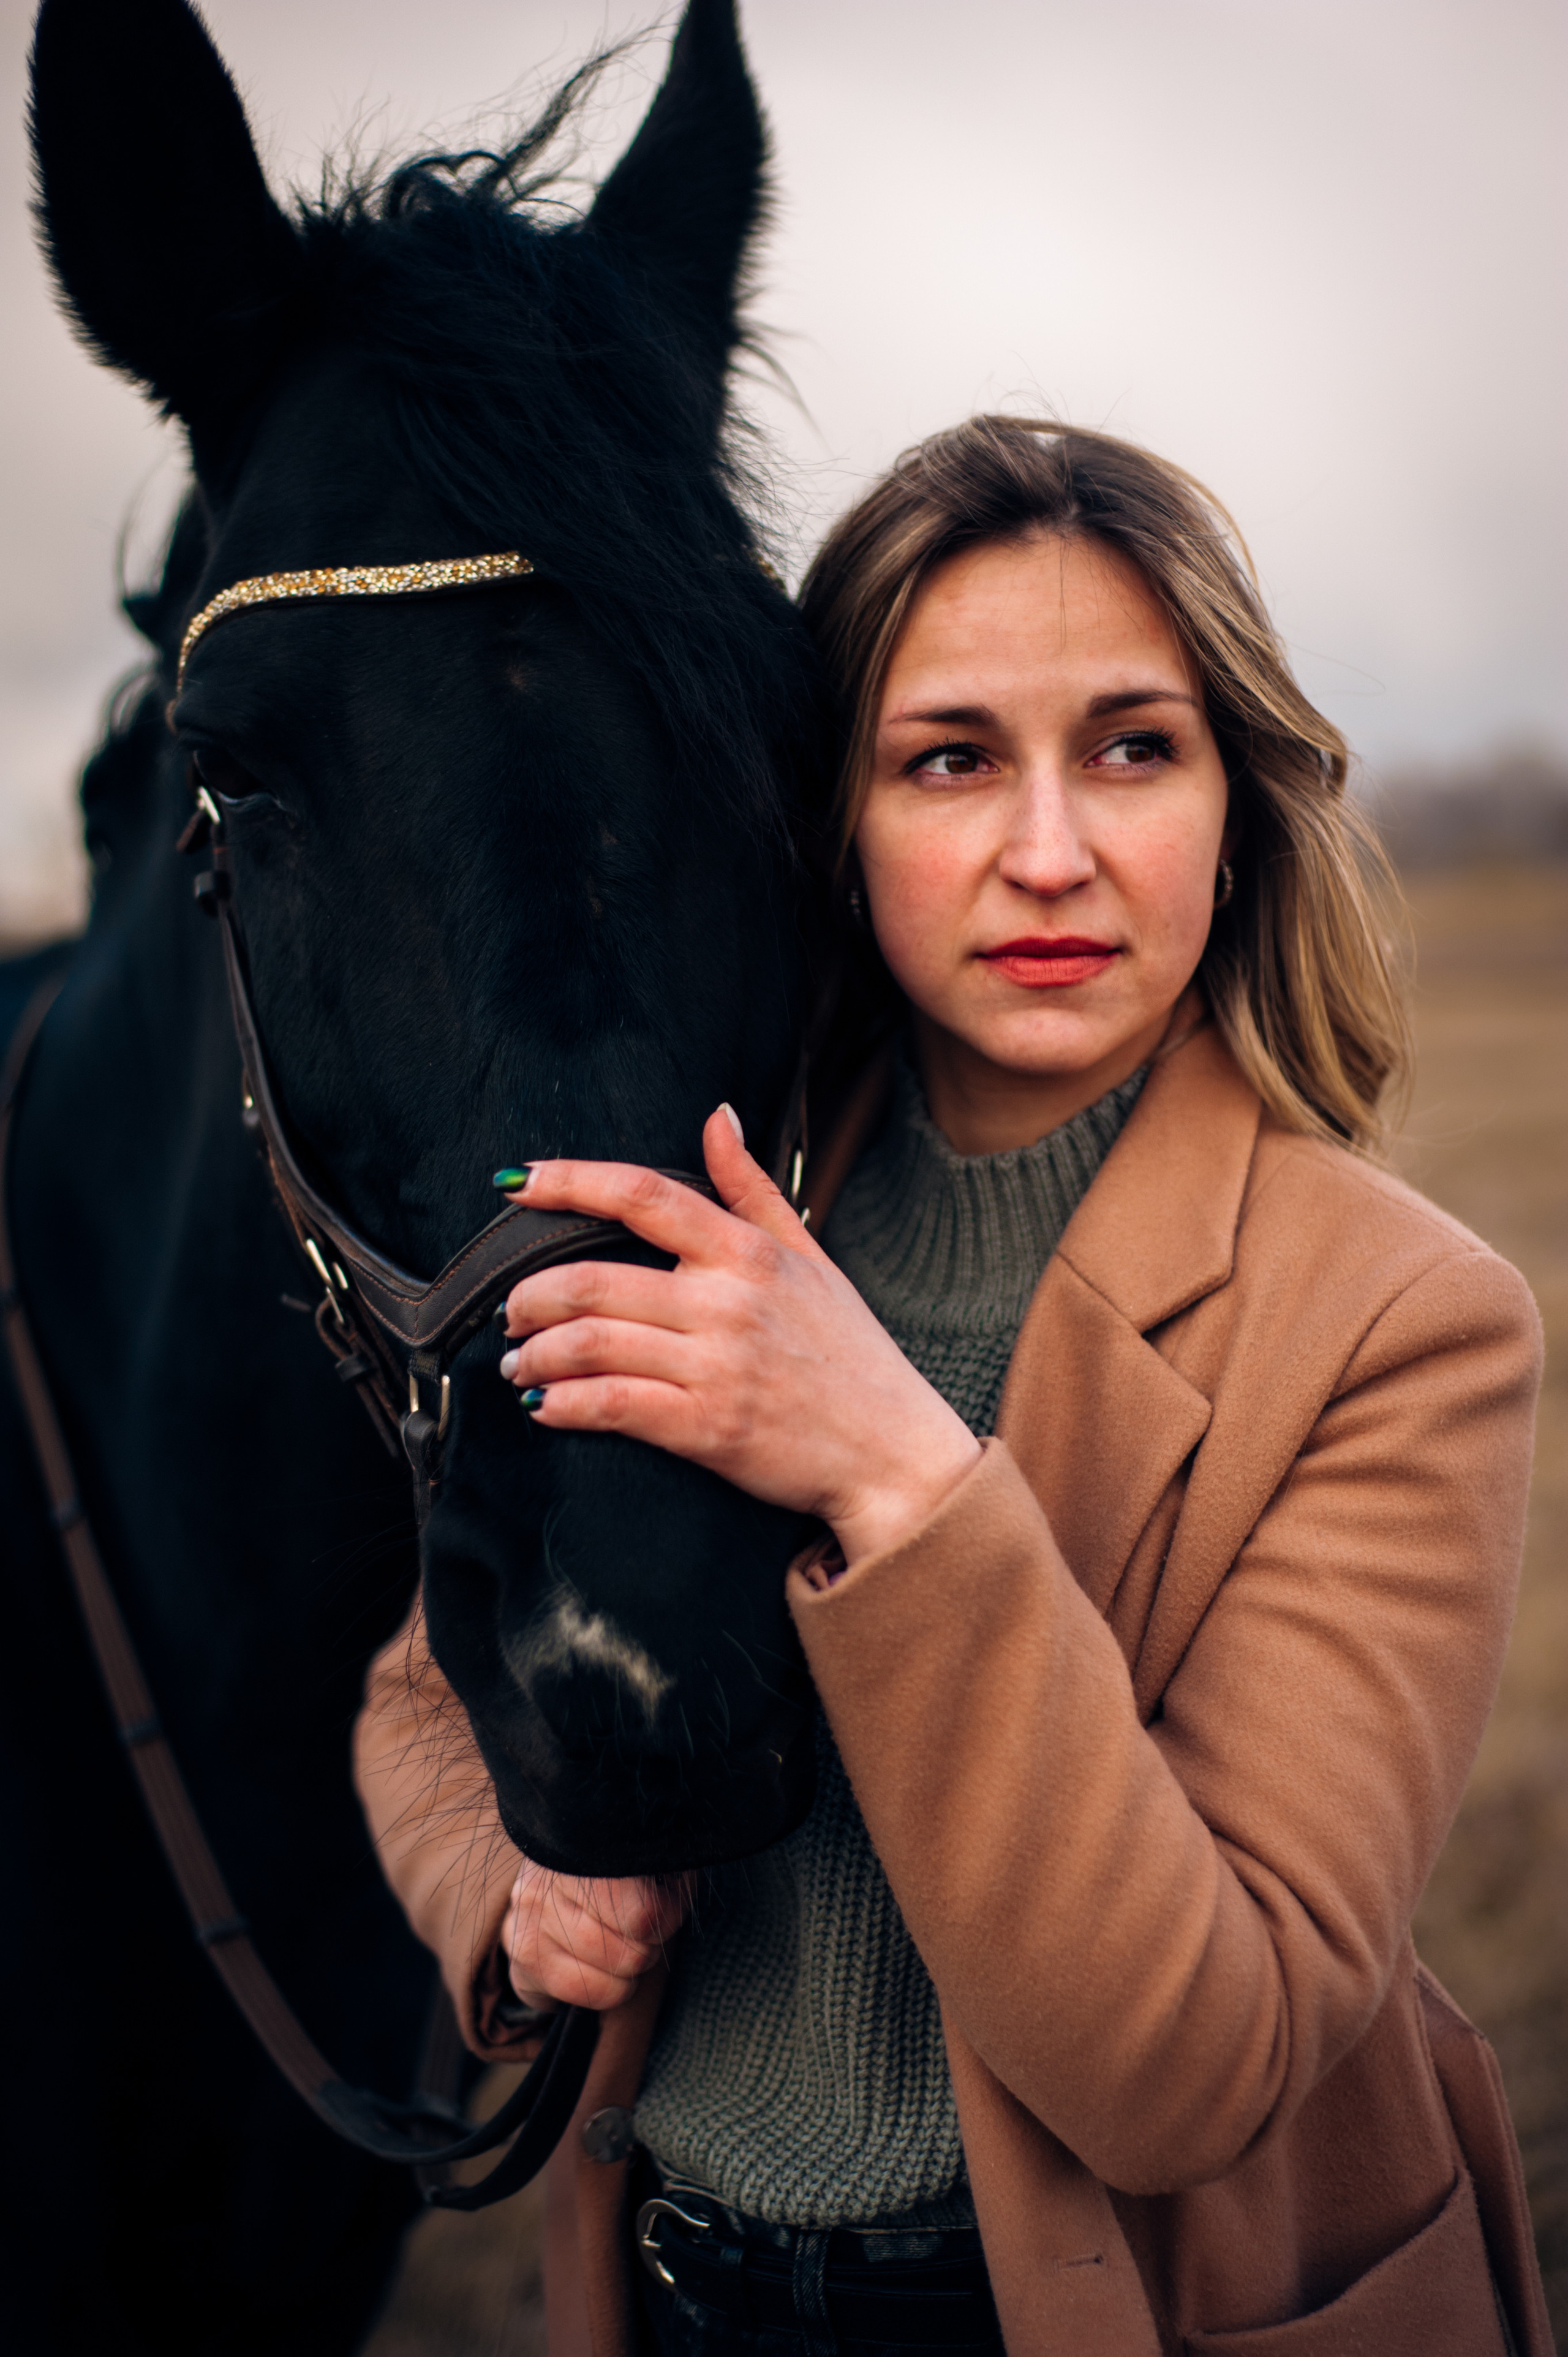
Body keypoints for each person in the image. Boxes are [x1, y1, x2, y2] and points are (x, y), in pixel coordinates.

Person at [355, 418, 1548, 2356]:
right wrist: (508, 1890)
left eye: (1133, 748)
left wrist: (900, 1476)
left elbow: (1195, 2063)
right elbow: (422, 1695)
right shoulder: (710, 1215)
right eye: (951, 758)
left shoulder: (1407, 1324)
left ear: (1236, 802)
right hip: (676, 2293)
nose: (1049, 853)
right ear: (835, 815)